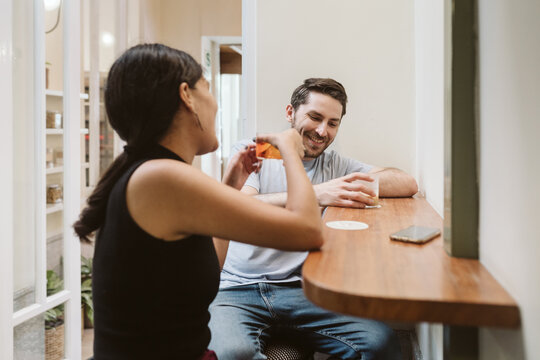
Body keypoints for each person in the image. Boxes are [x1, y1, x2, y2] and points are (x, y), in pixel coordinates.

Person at [73, 44, 324, 360]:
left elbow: (211, 270)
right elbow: (307, 231)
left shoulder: (154, 172)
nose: (216, 104)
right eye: (208, 89)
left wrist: (231, 186)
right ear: (186, 95)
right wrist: (291, 149)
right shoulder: (162, 177)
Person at [210, 78, 418, 360]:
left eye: (333, 123)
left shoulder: (335, 166)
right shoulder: (255, 150)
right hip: (238, 290)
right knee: (232, 355)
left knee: (380, 343)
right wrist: (317, 193)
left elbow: (406, 182)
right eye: (315, 117)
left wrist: (353, 185)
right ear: (290, 113)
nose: (322, 131)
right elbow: (238, 205)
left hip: (302, 291)